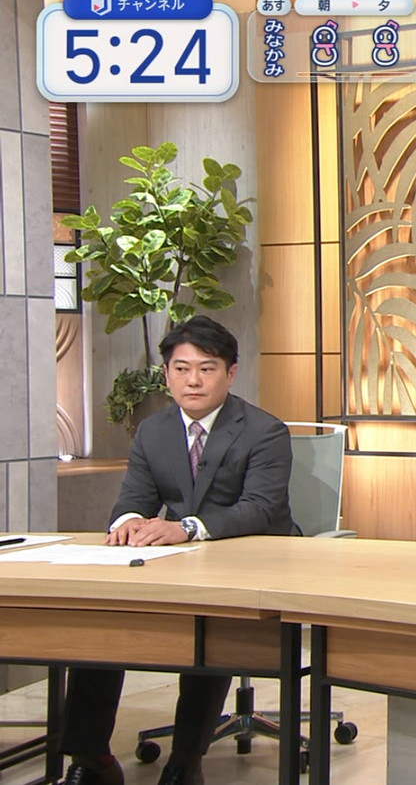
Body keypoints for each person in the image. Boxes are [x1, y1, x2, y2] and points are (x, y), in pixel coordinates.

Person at [62, 315, 295, 785]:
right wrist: (129, 523)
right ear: (166, 374)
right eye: (182, 369)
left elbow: (260, 509)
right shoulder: (153, 431)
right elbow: (133, 499)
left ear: (230, 373)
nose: (193, 381)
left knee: (211, 629)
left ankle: (185, 761)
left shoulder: (265, 431)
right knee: (99, 619)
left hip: (253, 559)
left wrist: (185, 528)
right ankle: (92, 759)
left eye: (207, 369)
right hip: (181, 562)